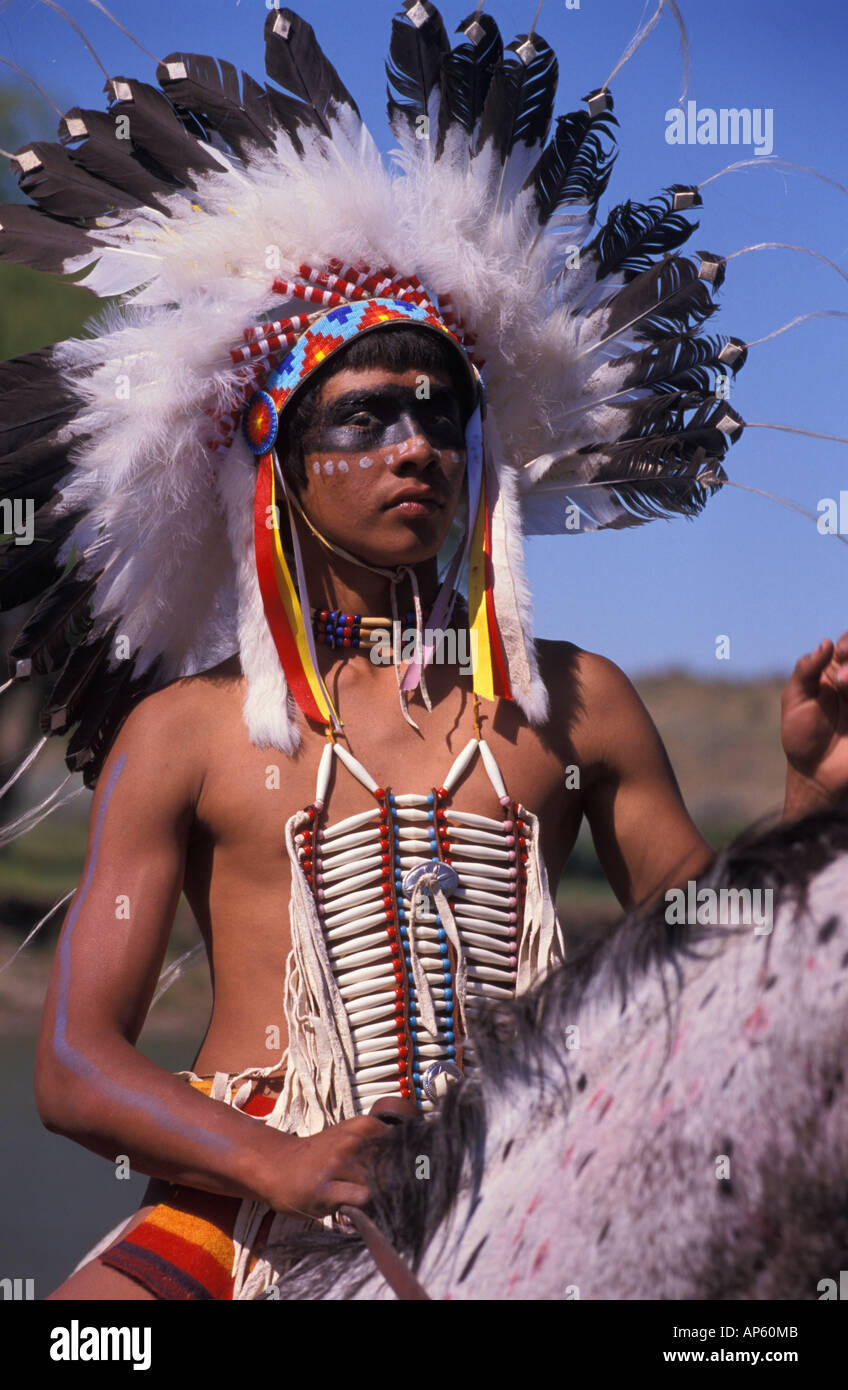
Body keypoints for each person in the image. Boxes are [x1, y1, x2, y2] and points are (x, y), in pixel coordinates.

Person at [2, 3, 846, 1301]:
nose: (415, 447)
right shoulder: (190, 734)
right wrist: (273, 1162)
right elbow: (72, 1062)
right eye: (367, 417)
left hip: (528, 1197)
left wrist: (809, 797)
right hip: (227, 1219)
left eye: (441, 414)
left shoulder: (576, 705)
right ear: (273, 468)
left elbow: (710, 964)